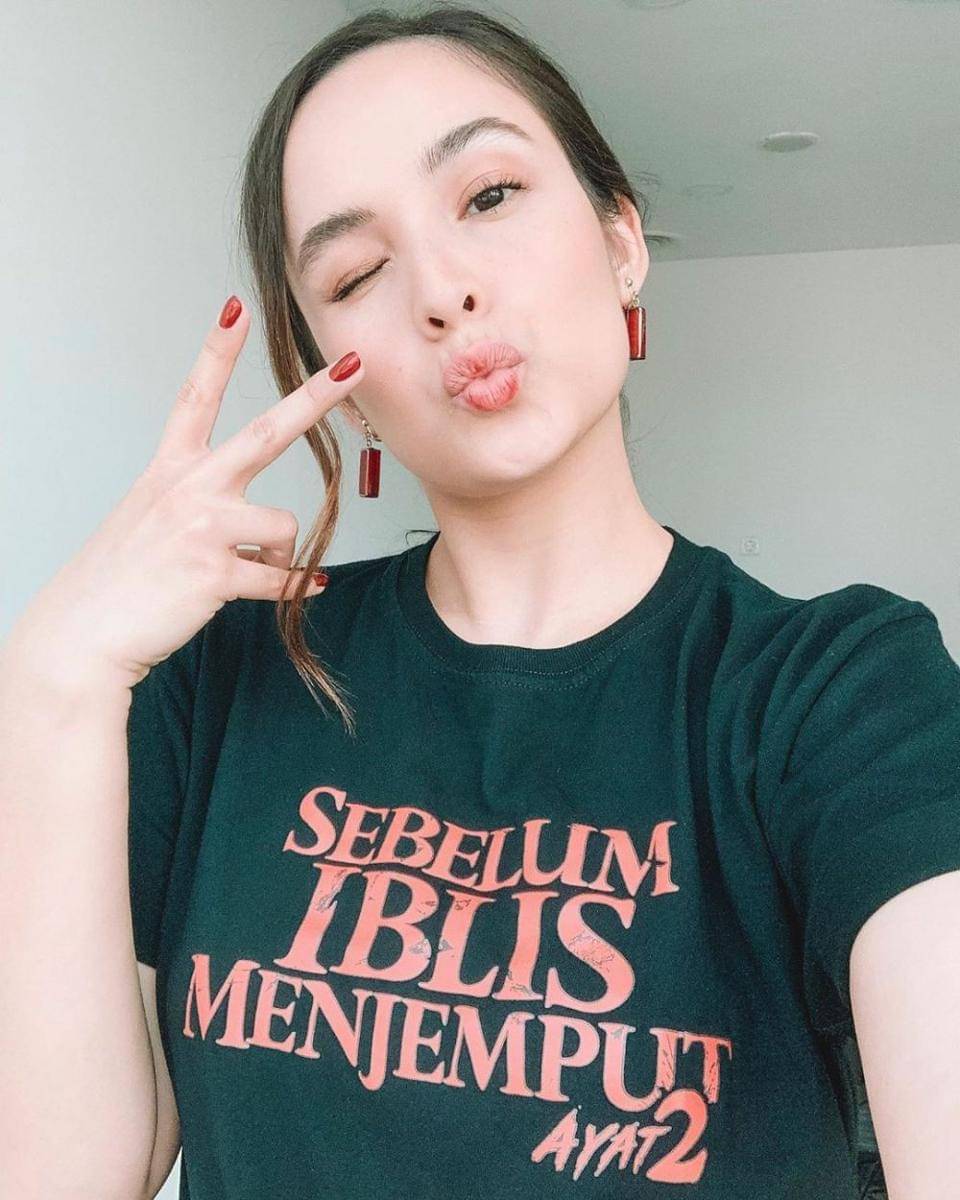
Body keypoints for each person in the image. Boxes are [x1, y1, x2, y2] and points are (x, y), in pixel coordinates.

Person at [1, 6, 957, 1199]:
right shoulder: (223, 678)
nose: (442, 291)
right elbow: (69, 1175)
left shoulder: (842, 690)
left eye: (490, 196)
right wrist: (51, 682)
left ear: (621, 241)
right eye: (357, 273)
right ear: (335, 384)